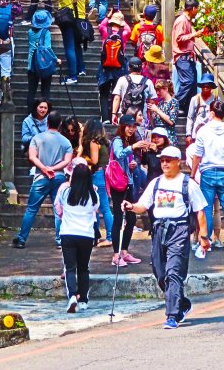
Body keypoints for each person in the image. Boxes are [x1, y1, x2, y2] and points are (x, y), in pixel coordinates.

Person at [123, 146, 209, 330]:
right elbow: (143, 206)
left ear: (178, 161)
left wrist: (204, 236)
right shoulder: (155, 183)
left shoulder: (188, 184)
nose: (164, 164)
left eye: (168, 160)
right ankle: (182, 303)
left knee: (173, 272)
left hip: (179, 230)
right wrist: (130, 206)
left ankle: (172, 315)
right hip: (158, 230)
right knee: (160, 273)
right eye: (162, 160)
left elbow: (200, 211)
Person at [12, 111, 73, 249]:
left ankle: (22, 238)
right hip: (59, 177)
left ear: (47, 122)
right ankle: (60, 239)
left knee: (31, 209)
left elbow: (32, 157)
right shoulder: (66, 141)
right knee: (58, 209)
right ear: (60, 124)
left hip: (41, 176)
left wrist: (45, 169)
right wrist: (53, 168)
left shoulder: (37, 138)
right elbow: (67, 160)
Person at [189, 98, 224, 252]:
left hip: (208, 172)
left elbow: (197, 155)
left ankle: (207, 241)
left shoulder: (203, 131)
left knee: (207, 209)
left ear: (211, 113)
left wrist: (192, 174)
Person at [54, 161, 100, 312]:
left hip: (68, 233)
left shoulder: (65, 193)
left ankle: (73, 296)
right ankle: (84, 301)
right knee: (83, 267)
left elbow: (59, 208)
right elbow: (95, 210)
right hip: (86, 234)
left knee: (70, 267)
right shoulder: (94, 195)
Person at [108, 115, 149, 267]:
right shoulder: (118, 140)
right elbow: (118, 155)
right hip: (118, 184)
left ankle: (124, 251)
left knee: (131, 218)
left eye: (134, 126)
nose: (132, 129)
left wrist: (131, 165)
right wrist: (133, 147)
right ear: (123, 126)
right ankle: (115, 255)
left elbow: (124, 160)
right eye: (129, 126)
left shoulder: (127, 141)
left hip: (128, 182)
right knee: (118, 218)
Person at [80, 117, 114, 246]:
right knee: (101, 207)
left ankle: (110, 237)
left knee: (103, 207)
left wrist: (83, 157)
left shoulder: (94, 142)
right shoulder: (104, 142)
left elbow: (94, 161)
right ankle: (98, 234)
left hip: (98, 175)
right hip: (103, 174)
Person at [53, 0, 90, 84]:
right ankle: (81, 68)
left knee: (69, 47)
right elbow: (87, 1)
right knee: (77, 44)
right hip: (81, 20)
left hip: (67, 19)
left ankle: (72, 75)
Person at [172, 0, 204, 112]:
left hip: (188, 57)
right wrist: (194, 34)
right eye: (197, 8)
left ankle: (187, 108)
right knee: (188, 81)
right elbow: (179, 38)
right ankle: (175, 105)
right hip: (182, 57)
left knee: (194, 83)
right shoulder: (182, 21)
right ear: (193, 8)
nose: (197, 11)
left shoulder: (187, 20)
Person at [97, 11, 129, 122]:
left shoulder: (105, 31)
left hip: (105, 66)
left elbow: (101, 25)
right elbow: (128, 29)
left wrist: (108, 16)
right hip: (119, 67)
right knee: (116, 93)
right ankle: (114, 116)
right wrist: (122, 17)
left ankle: (105, 118)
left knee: (104, 93)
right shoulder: (124, 33)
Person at [26, 8, 59, 111]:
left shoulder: (30, 32)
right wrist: (56, 59)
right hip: (44, 64)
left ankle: (30, 113)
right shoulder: (46, 32)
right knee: (45, 91)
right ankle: (45, 113)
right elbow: (47, 48)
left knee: (31, 90)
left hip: (32, 64)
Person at [111, 56, 156, 124]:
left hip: (124, 116)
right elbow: (151, 102)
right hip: (141, 117)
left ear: (129, 68)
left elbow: (117, 98)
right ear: (141, 68)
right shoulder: (148, 82)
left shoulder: (122, 79)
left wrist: (114, 114)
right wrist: (151, 118)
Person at [185, 73, 217, 145]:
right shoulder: (195, 99)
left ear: (211, 87)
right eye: (203, 85)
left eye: (208, 86)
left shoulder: (216, 99)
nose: (205, 88)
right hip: (197, 133)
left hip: (211, 134)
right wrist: (188, 134)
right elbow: (190, 117)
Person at [147, 78, 179, 145]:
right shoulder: (159, 103)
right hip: (158, 137)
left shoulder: (174, 102)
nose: (157, 93)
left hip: (168, 138)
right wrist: (151, 114)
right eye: (156, 90)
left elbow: (171, 121)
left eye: (159, 90)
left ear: (166, 89)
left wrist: (157, 110)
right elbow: (153, 124)